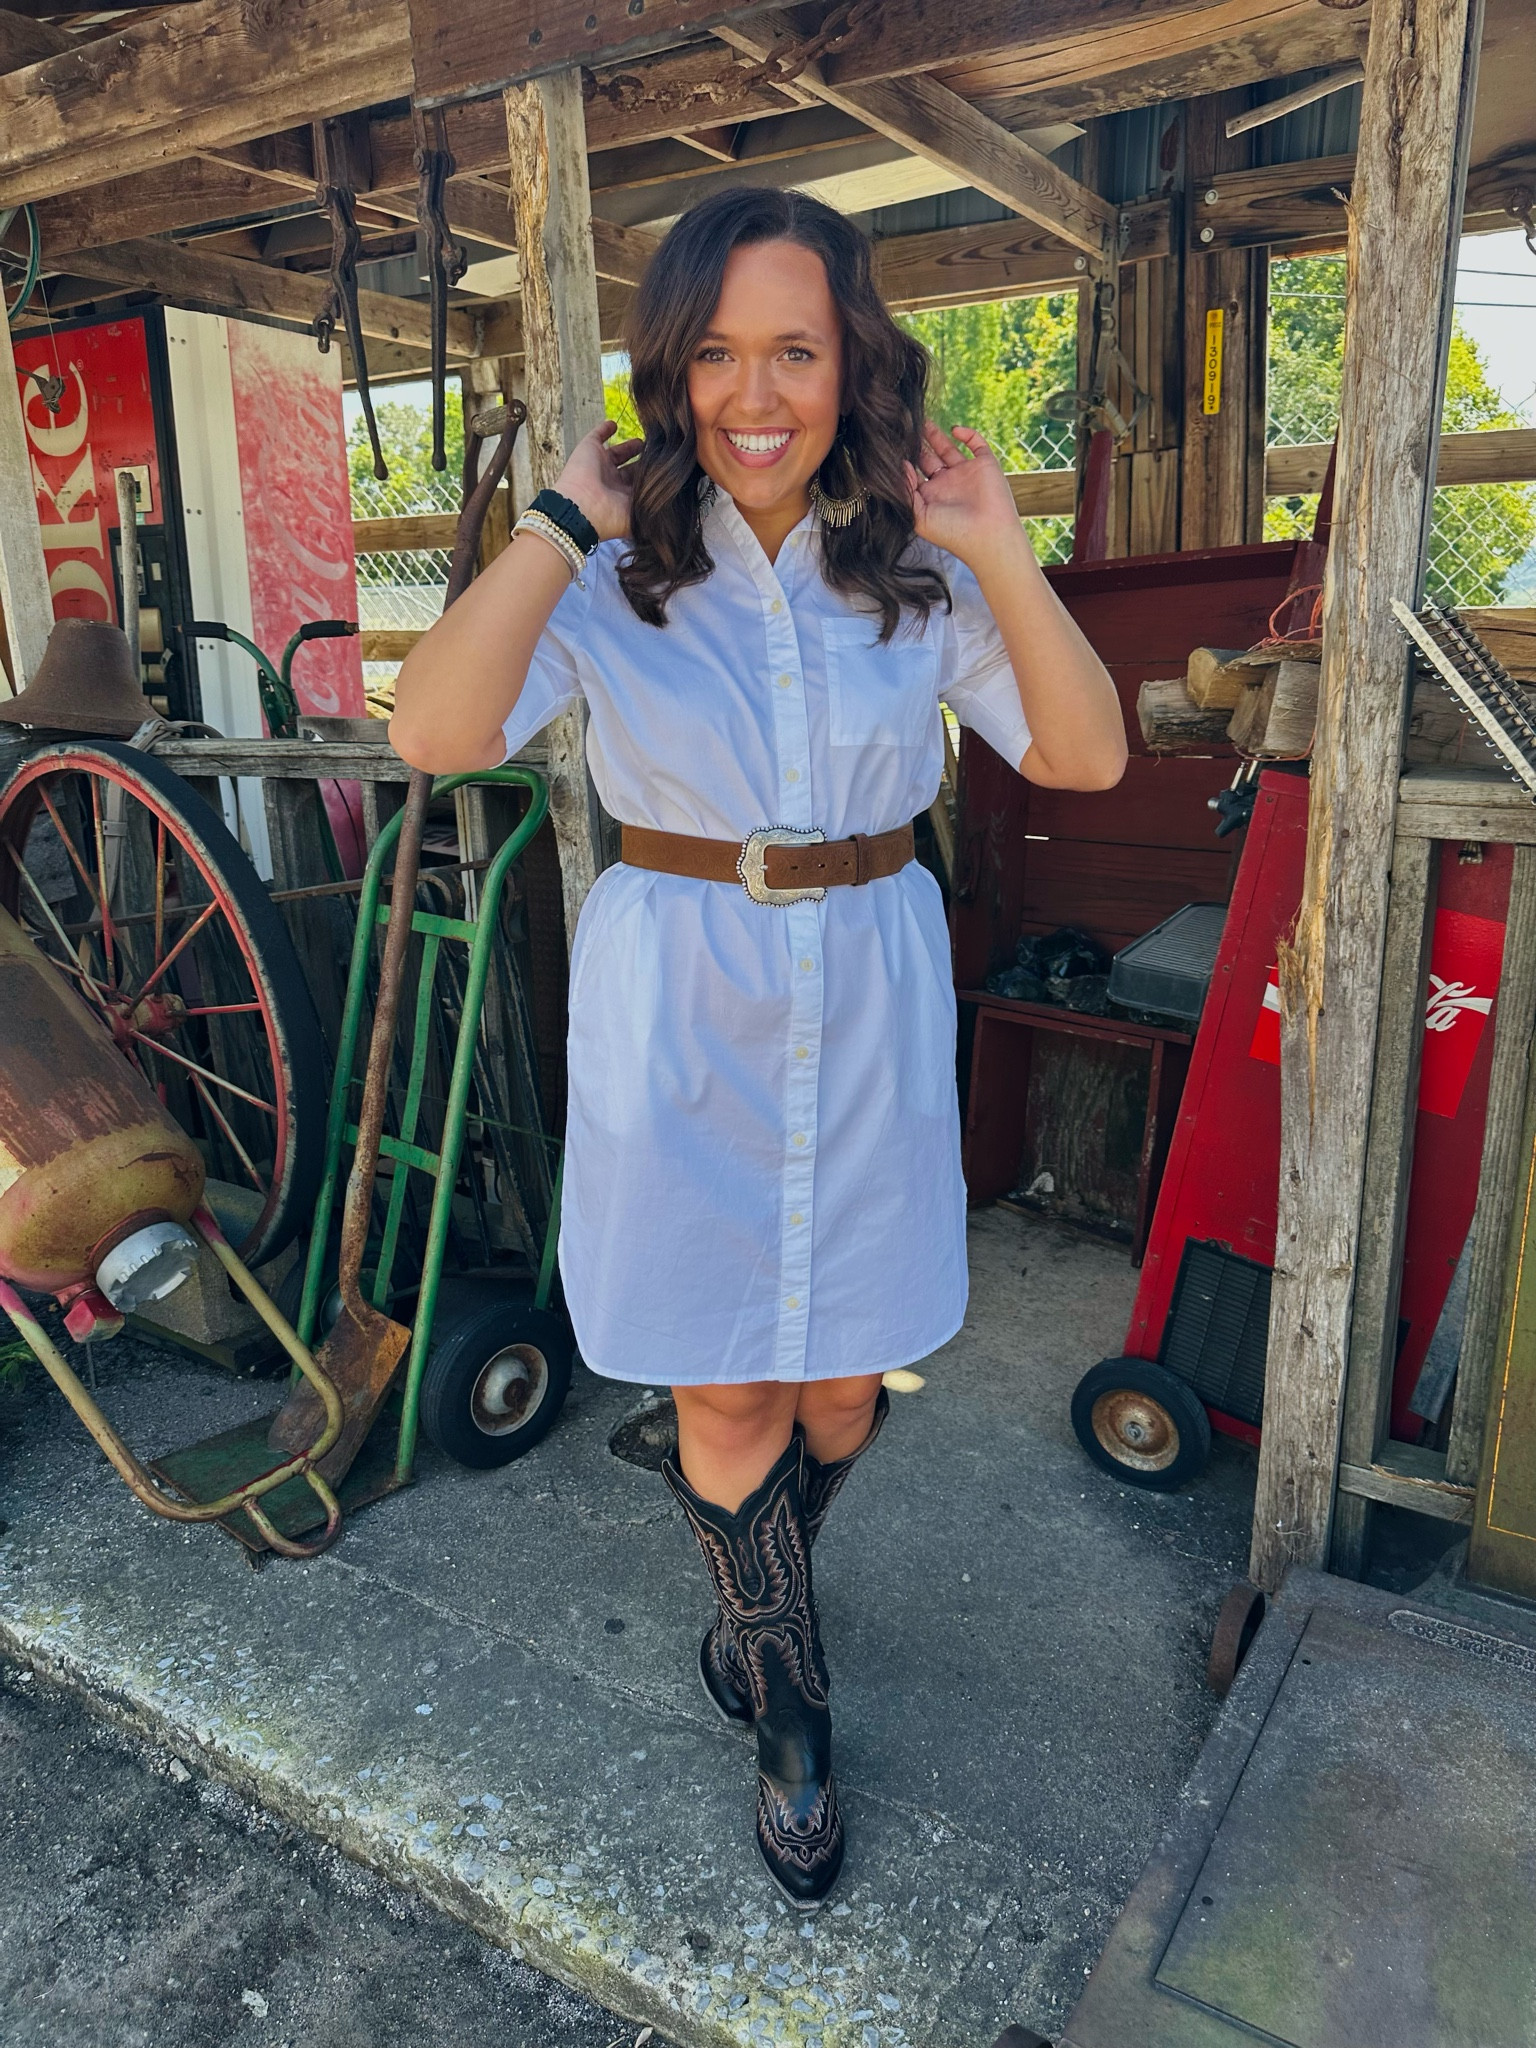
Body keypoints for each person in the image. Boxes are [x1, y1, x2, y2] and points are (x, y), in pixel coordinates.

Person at [389, 185, 1125, 1909]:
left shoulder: (913, 570)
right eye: (714, 352)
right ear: (671, 368)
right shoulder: (612, 570)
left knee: (847, 1385)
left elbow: (1086, 757)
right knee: (727, 1382)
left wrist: (1003, 549)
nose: (754, 392)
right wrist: (559, 518)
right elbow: (433, 728)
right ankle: (791, 1712)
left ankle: (749, 1595)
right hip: (684, 1004)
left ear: (852, 359)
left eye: (794, 348)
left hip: (867, 999)